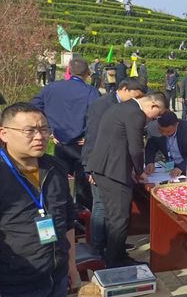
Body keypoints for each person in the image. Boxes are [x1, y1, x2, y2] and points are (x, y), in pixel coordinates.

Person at [0, 103, 81, 297]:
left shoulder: (55, 167)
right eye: (29, 131)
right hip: (13, 288)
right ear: (4, 133)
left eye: (44, 129)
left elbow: (67, 221)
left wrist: (71, 266)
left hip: (54, 280)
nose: (39, 137)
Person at [86, 93, 166, 267]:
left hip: (105, 167)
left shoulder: (122, 107)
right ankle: (115, 261)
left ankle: (117, 253)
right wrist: (139, 171)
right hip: (113, 171)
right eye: (157, 115)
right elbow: (136, 147)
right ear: (153, 105)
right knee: (120, 218)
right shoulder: (134, 113)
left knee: (115, 215)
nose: (154, 120)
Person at [81, 78, 146, 257]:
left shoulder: (126, 108)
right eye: (136, 96)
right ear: (124, 89)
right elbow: (94, 137)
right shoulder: (103, 105)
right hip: (99, 164)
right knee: (101, 206)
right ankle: (97, 248)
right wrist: (90, 167)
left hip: (110, 165)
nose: (137, 101)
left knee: (110, 210)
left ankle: (112, 245)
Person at [31, 58, 100, 210]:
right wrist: (89, 137)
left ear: (68, 70)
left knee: (59, 179)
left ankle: (62, 210)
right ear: (87, 73)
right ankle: (83, 215)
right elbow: (97, 116)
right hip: (81, 144)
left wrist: (48, 129)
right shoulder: (91, 91)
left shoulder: (51, 88)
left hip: (59, 141)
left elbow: (33, 107)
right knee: (82, 183)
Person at [144, 111, 187, 180]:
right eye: (161, 131)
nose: (164, 134)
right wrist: (150, 162)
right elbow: (151, 147)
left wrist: (181, 167)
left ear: (177, 124)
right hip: (172, 166)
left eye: (168, 131)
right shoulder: (153, 128)